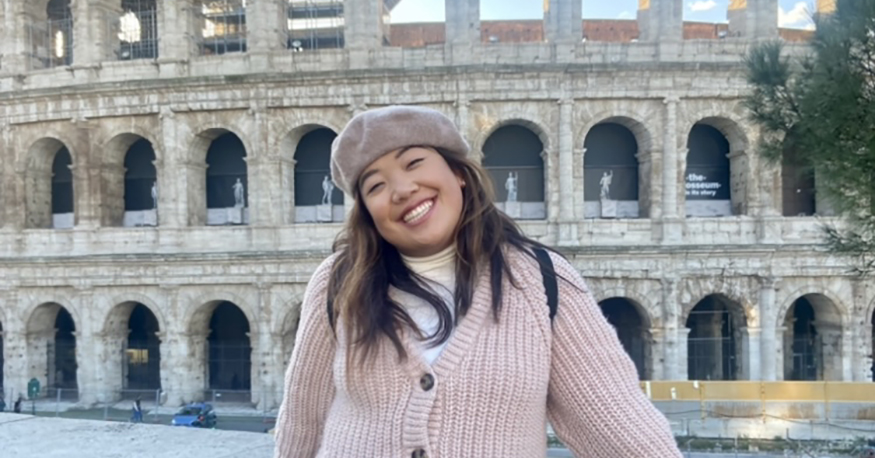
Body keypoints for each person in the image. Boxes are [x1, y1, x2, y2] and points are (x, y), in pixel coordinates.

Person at [274, 106, 682, 457]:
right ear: (367, 212)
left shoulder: (541, 278)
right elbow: (301, 424)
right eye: (375, 185)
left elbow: (617, 422)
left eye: (414, 163)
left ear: (459, 174)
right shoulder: (338, 282)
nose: (401, 189)